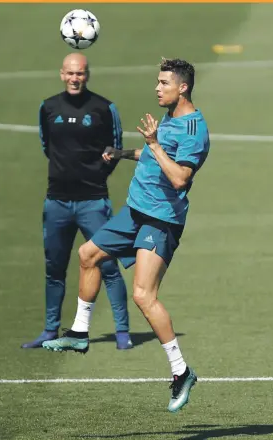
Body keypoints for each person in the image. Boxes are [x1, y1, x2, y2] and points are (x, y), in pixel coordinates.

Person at [42, 58, 210, 413]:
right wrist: (123, 153)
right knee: (87, 254)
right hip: (135, 210)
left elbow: (180, 177)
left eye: (163, 82)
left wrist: (152, 143)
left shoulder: (194, 129)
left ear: (182, 88)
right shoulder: (170, 118)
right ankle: (78, 333)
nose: (157, 88)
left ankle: (182, 371)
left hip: (160, 220)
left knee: (143, 294)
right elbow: (153, 157)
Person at [22, 53, 132, 350]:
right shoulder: (48, 107)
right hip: (56, 200)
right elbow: (47, 145)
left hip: (93, 201)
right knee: (54, 267)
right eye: (70, 73)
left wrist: (97, 175)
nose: (75, 78)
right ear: (61, 74)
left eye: (80, 73)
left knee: (107, 265)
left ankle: (122, 332)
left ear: (88, 75)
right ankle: (49, 329)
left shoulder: (104, 108)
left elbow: (116, 147)